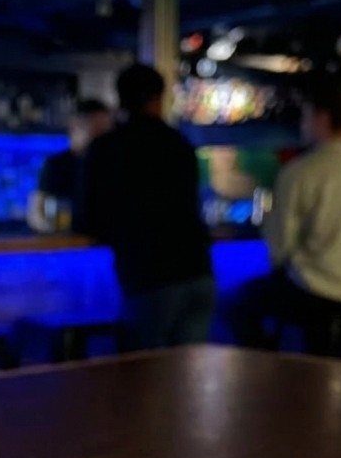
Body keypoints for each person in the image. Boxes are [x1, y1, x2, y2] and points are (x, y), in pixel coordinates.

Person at [229, 76, 341, 359]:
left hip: (320, 292)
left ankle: (270, 374)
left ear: (321, 118)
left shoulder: (303, 171)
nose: (302, 124)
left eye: (305, 116)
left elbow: (278, 249)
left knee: (236, 304)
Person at [80, 64, 214, 349]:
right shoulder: (180, 144)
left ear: (120, 99)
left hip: (150, 277)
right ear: (160, 97)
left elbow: (87, 219)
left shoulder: (106, 148)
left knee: (144, 378)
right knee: (187, 376)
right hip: (198, 272)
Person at [27, 99, 111, 233]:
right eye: (97, 130)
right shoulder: (56, 164)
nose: (104, 139)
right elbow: (36, 213)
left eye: (106, 132)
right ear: (75, 126)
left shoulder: (109, 166)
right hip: (65, 243)